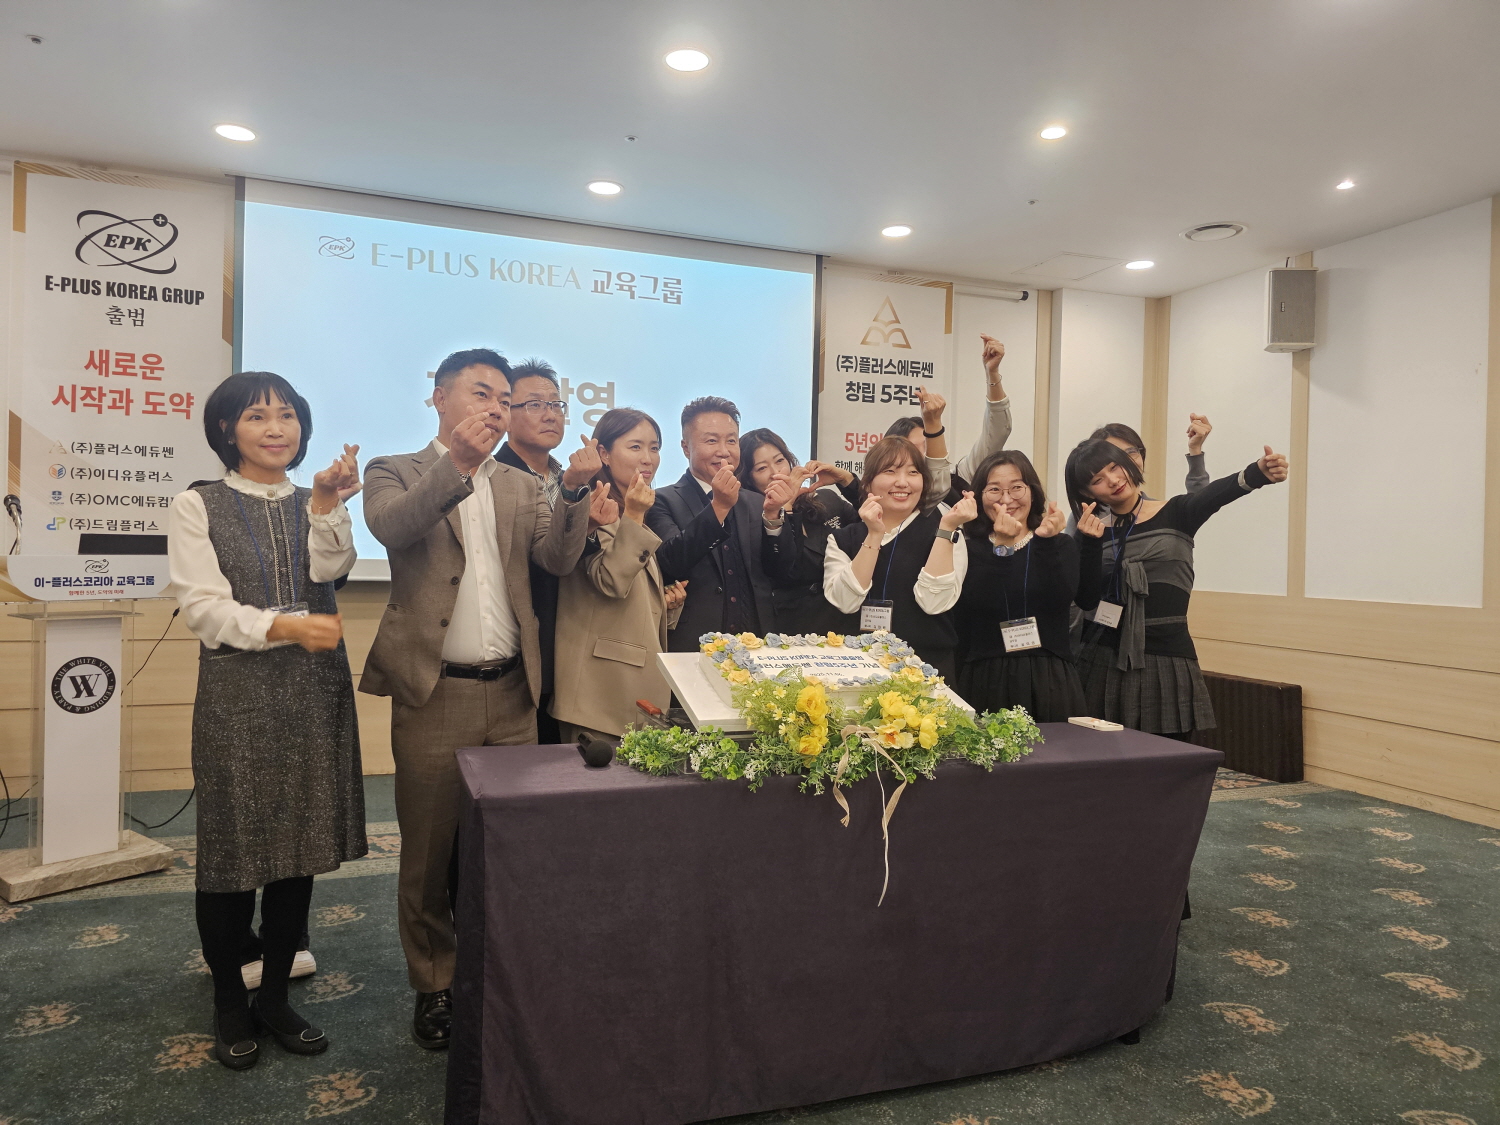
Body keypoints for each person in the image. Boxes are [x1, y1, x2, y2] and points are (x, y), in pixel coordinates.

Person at [360, 348, 594, 1049]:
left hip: (515, 692)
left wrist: (574, 495)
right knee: (429, 852)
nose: (496, 408)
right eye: (482, 393)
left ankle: (497, 970)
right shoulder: (395, 470)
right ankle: (434, 982)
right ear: (439, 397)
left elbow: (557, 559)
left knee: (505, 845)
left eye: (504, 398)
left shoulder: (519, 485)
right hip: (436, 692)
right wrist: (456, 467)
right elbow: (392, 528)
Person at [167, 371, 366, 1070]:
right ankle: (230, 1000)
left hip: (313, 690)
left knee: (298, 850)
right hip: (238, 696)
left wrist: (326, 506)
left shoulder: (313, 498)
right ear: (227, 429)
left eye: (287, 415)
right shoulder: (198, 503)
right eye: (257, 416)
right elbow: (203, 609)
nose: (276, 428)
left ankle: (276, 996)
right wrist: (285, 627)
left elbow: (331, 569)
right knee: (231, 856)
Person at [1065, 437, 1289, 737]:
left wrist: (1258, 472)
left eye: (1115, 467)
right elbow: (1086, 599)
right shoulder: (1089, 533)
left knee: (1170, 753)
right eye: (1098, 479)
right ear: (1086, 492)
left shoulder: (1177, 512)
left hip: (1168, 655)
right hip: (1103, 658)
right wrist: (1091, 544)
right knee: (1103, 755)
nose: (1114, 480)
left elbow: (1216, 494)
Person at [552, 408, 687, 739]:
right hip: (599, 696)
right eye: (635, 447)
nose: (648, 459)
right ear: (604, 454)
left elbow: (623, 595)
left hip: (630, 689)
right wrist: (636, 515)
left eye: (654, 448)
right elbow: (610, 581)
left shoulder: (631, 508)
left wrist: (665, 604)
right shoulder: (593, 503)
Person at [954, 450, 1106, 722]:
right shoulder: (967, 548)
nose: (1006, 499)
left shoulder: (1058, 544)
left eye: (1016, 488)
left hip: (1049, 676)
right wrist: (1002, 546)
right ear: (979, 497)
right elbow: (983, 602)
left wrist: (1046, 543)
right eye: (994, 490)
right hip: (986, 676)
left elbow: (1065, 600)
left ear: (1033, 492)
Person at [824, 435, 975, 680]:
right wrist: (874, 534)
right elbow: (845, 601)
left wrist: (947, 530)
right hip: (858, 672)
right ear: (868, 483)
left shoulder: (947, 530)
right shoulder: (842, 539)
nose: (903, 482)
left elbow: (934, 603)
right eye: (890, 471)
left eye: (913, 472)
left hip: (926, 673)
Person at [647, 396, 776, 650]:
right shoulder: (661, 500)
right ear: (686, 448)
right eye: (711, 441)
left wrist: (775, 520)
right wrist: (719, 507)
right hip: (692, 646)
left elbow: (780, 571)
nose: (724, 451)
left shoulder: (756, 501)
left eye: (731, 441)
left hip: (756, 646)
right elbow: (671, 563)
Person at [494, 358, 571, 743]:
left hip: (571, 642)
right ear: (506, 414)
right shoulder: (490, 476)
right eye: (536, 404)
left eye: (556, 404)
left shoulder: (573, 479)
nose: (550, 414)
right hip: (518, 650)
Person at [738, 427, 859, 634]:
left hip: (842, 620)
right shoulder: (748, 518)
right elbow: (787, 570)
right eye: (761, 468)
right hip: (789, 628)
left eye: (779, 461)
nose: (776, 473)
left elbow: (874, 523)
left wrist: (846, 480)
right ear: (749, 479)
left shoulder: (826, 499)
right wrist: (785, 506)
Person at [885, 334, 1014, 504]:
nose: (924, 455)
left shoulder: (959, 479)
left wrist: (992, 373)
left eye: (928, 446)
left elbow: (998, 431)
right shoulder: (885, 498)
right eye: (913, 449)